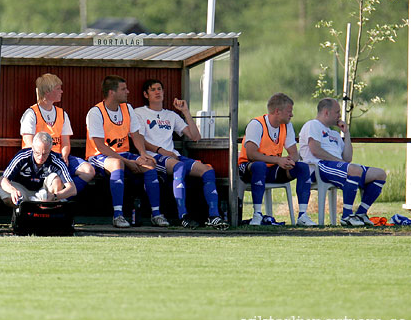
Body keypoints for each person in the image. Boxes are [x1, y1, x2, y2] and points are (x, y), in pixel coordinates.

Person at [134, 79, 229, 230]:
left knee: (207, 170)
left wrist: (185, 111)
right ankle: (183, 216)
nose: (157, 92)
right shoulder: (139, 112)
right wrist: (161, 150)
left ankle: (214, 216)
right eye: (153, 90)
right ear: (146, 94)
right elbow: (138, 139)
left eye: (160, 89)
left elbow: (195, 137)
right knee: (179, 167)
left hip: (173, 156)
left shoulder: (171, 115)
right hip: (154, 157)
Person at [85, 75, 164, 228]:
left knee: (149, 165)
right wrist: (127, 162)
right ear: (111, 92)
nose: (127, 91)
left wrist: (142, 153)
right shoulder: (95, 112)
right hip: (99, 156)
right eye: (123, 89)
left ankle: (156, 214)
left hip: (124, 154)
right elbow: (100, 146)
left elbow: (135, 134)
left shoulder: (127, 108)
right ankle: (118, 215)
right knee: (117, 164)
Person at [299, 98, 386, 226]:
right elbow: (315, 150)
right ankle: (346, 216)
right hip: (319, 166)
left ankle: (361, 213)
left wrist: (347, 133)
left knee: (380, 174)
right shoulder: (312, 125)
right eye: (337, 112)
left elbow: (348, 158)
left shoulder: (334, 134)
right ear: (326, 112)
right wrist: (341, 163)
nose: (339, 116)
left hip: (336, 166)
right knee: (354, 169)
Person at [238, 93, 315, 226]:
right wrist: (279, 161)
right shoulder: (257, 124)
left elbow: (294, 153)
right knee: (259, 166)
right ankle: (257, 215)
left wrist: (291, 160)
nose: (292, 115)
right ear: (277, 111)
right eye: (289, 111)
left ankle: (302, 215)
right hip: (249, 169)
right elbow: (251, 154)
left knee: (302, 167)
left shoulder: (286, 126)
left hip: (271, 169)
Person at [20, 73, 95, 194]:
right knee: (56, 179)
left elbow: (65, 142)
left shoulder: (62, 113)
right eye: (58, 89)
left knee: (89, 171)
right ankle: (52, 198)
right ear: (47, 91)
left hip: (58, 157)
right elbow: (29, 144)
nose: (62, 91)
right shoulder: (31, 114)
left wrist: (65, 155)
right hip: (40, 159)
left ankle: (62, 196)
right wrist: (46, 158)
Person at [0, 132, 77, 206]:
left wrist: (55, 196)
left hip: (45, 193)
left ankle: (50, 210)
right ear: (32, 147)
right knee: (3, 191)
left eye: (45, 154)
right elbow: (2, 179)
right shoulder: (22, 156)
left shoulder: (57, 161)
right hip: (22, 191)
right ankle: (20, 212)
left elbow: (72, 189)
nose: (40, 158)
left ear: (50, 150)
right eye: (37, 153)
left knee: (57, 180)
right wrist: (12, 191)